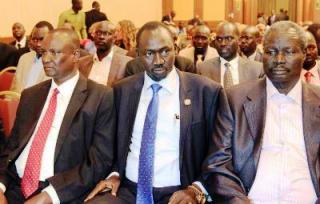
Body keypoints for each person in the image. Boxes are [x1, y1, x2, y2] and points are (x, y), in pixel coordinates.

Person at [85, 21, 226, 204]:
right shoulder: (122, 91)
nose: (159, 61)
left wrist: (196, 189)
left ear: (175, 48)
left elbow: (219, 152)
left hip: (179, 192)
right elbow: (109, 144)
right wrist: (113, 174)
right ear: (137, 55)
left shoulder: (205, 92)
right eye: (149, 53)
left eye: (165, 51)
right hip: (127, 189)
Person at [203, 21, 319, 203]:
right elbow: (218, 163)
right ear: (262, 54)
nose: (279, 59)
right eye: (271, 52)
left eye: (289, 52)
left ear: (304, 54)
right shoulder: (235, 99)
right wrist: (237, 200)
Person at [0, 28, 115, 203]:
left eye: (54, 52)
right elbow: (11, 148)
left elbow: (98, 162)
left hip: (59, 190)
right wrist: (1, 186)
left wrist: (50, 195)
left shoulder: (100, 97)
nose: (46, 59)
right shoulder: (31, 94)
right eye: (44, 52)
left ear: (75, 55)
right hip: (15, 184)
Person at [198, 21, 263, 88]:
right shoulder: (203, 69)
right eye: (219, 39)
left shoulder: (256, 70)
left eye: (229, 39)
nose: (223, 43)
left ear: (238, 40)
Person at [80, 20, 132, 87]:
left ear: (114, 38)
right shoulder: (82, 63)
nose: (101, 37)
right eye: (98, 33)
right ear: (93, 36)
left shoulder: (125, 63)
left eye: (106, 33)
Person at [10, 21, 54, 93]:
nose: (38, 44)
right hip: (18, 101)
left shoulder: (56, 62)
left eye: (42, 39)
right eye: (35, 39)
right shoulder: (24, 58)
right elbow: (14, 89)